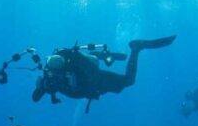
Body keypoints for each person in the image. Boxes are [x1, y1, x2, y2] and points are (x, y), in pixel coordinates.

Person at [32, 35, 176, 112]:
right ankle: (105, 56)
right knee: (122, 83)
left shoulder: (55, 77)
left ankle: (136, 48)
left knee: (128, 81)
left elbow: (87, 74)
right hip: (93, 82)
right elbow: (37, 96)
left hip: (96, 80)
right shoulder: (52, 79)